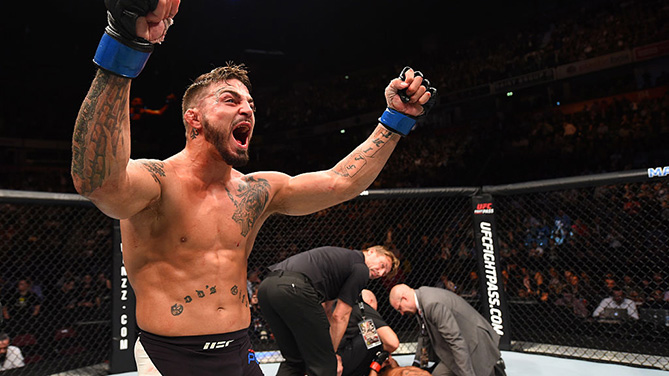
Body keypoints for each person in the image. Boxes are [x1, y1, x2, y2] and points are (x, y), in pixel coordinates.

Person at [70, 0, 435, 374]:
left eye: (251, 104)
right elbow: (97, 180)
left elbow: (343, 181)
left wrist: (394, 122)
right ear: (193, 118)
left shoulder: (256, 191)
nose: (247, 110)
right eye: (231, 100)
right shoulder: (158, 182)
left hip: (241, 351)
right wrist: (124, 46)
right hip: (173, 357)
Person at [257, 246, 400, 376]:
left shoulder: (340, 266)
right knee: (326, 365)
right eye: (382, 266)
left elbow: (327, 311)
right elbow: (340, 316)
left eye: (383, 274)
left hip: (266, 288)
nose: (379, 273)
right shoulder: (360, 270)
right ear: (371, 251)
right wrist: (332, 355)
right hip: (295, 290)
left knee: (295, 361)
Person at [389, 284, 506, 376]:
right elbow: (424, 335)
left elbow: (456, 341)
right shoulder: (421, 299)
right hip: (456, 347)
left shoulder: (432, 304)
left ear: (404, 298)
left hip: (474, 342)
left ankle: (494, 368)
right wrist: (418, 364)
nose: (402, 313)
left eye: (400, 308)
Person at [338, 289, 399, 376]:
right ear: (371, 302)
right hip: (344, 363)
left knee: (370, 336)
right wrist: (381, 356)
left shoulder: (342, 308)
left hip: (331, 360)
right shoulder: (362, 309)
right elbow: (393, 343)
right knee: (375, 338)